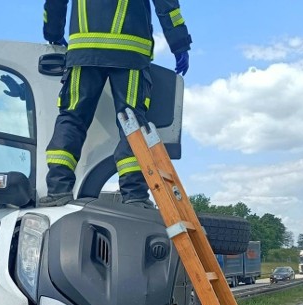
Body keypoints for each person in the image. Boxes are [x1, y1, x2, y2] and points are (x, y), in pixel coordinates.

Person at [39, 0, 192, 208]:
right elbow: (166, 5)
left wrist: (53, 34)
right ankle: (134, 195)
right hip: (129, 53)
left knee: (72, 118)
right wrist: (179, 43)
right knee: (131, 122)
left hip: (83, 51)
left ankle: (58, 190)